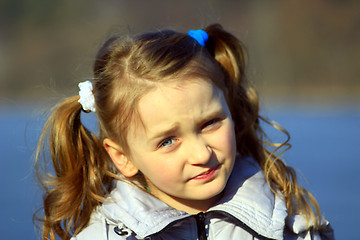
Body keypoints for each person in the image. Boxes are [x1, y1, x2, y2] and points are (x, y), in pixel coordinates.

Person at [34, 23, 334, 240]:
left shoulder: (290, 226)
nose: (201, 153)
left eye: (210, 123)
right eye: (168, 141)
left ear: (230, 108)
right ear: (123, 157)